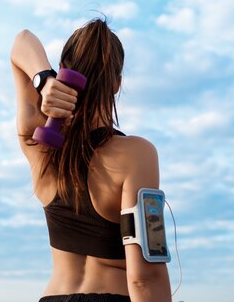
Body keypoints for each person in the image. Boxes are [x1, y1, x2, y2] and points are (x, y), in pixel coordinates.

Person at [10, 18, 172, 302]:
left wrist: (44, 80)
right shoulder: (137, 154)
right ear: (116, 84)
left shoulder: (39, 146)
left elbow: (21, 42)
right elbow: (144, 278)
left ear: (63, 71)